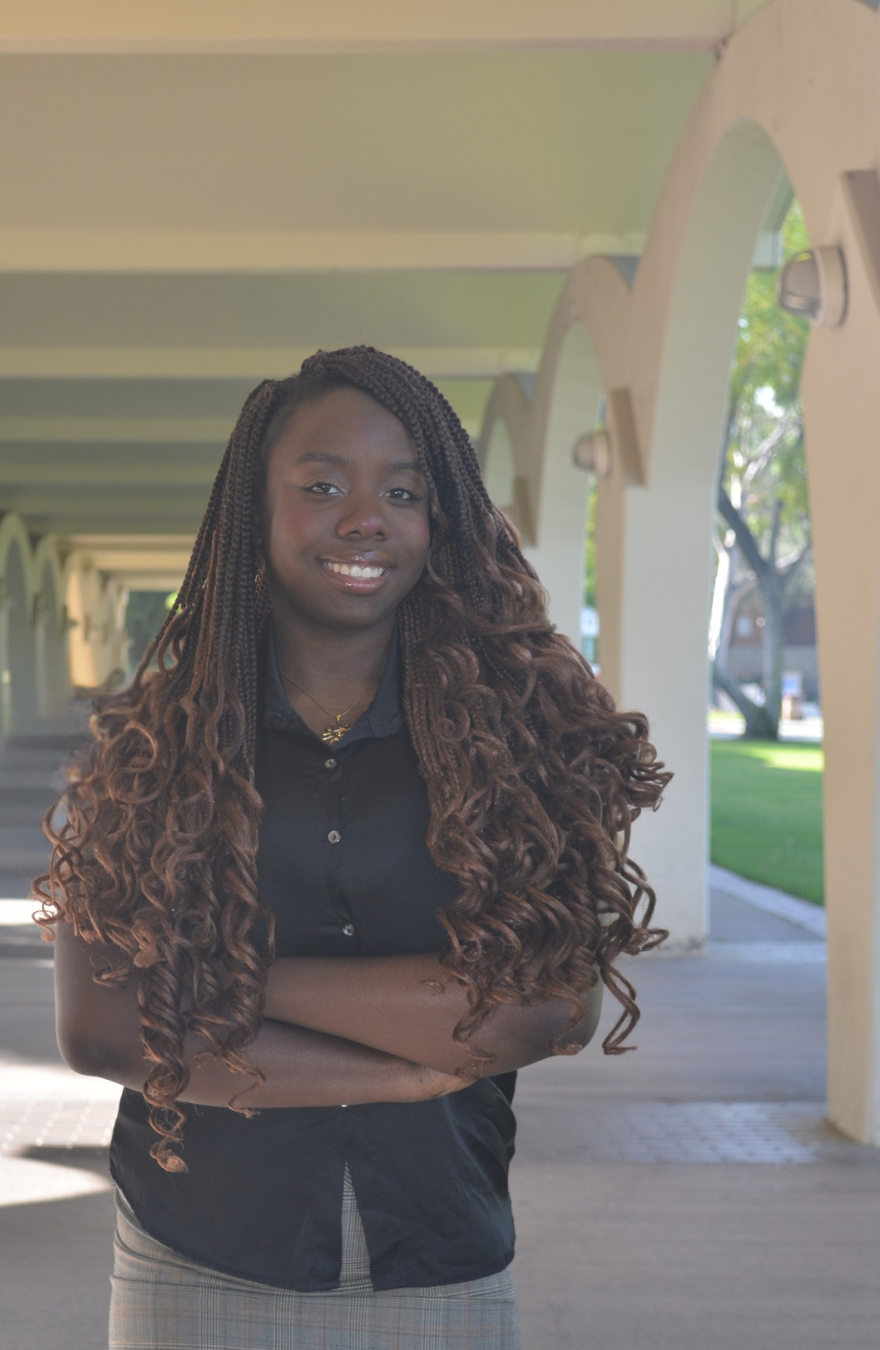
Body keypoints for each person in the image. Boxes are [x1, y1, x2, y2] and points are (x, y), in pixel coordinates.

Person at [34, 346, 670, 1350]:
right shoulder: (154, 752)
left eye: (403, 490)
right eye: (322, 484)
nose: (364, 517)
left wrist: (224, 979)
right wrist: (408, 1065)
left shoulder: (519, 745)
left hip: (439, 1263)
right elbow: (105, 1029)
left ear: (440, 520)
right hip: (198, 1258)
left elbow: (545, 1009)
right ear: (260, 509)